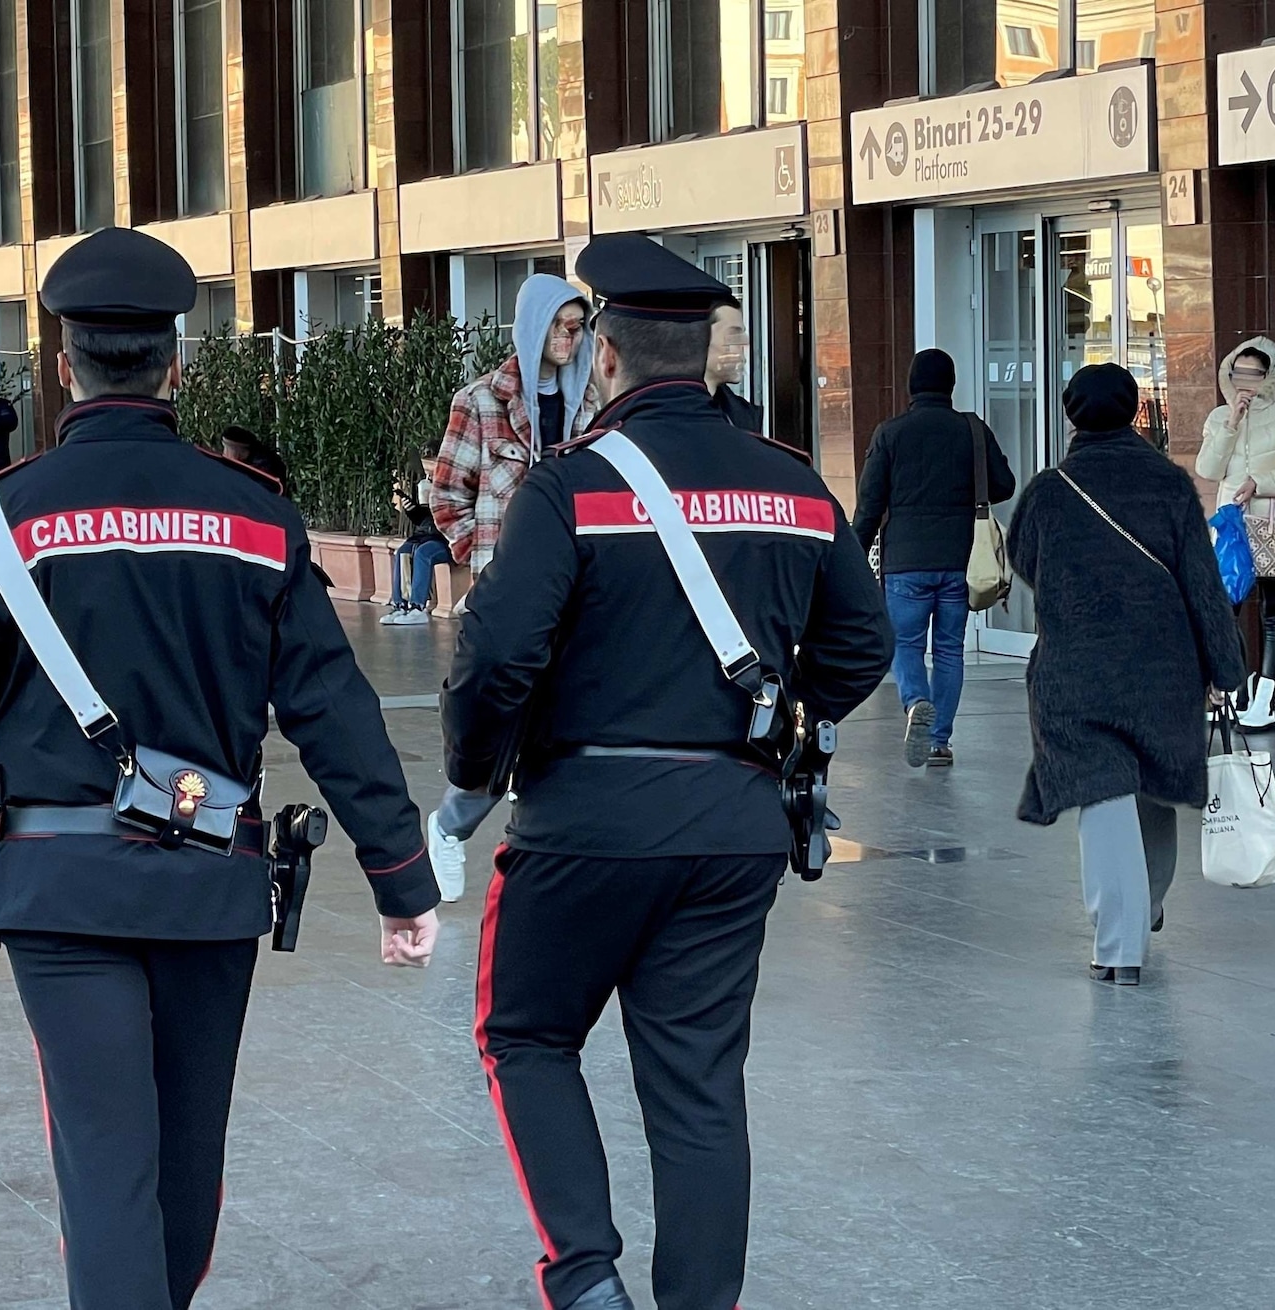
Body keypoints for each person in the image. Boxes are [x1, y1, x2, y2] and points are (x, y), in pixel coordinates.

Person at [0, 228, 441, 1309]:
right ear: (175, 365)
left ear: (62, 363)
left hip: (61, 889)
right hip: (209, 884)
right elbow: (335, 707)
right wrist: (400, 876)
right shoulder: (257, 517)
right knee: (188, 1160)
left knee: (105, 1162)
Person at [446, 235, 892, 1310]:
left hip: (581, 825)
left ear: (604, 357)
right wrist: (794, 718)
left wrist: (474, 770)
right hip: (732, 824)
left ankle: (585, 1272)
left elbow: (498, 652)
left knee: (527, 1032)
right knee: (697, 1084)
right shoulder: (790, 481)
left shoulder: (571, 485)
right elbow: (861, 643)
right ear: (704, 356)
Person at [1006, 363, 1245, 985]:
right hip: (1163, 668)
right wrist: (1225, 666)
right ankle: (1148, 901)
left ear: (1070, 415)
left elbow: (1025, 564)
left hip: (1077, 667)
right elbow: (1203, 583)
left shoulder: (1049, 489)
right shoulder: (1168, 483)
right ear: (1136, 410)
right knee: (1152, 783)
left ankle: (1119, 942)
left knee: (1103, 793)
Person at [426, 274, 596, 901]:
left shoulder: (594, 404)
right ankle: (449, 827)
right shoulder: (480, 402)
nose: (570, 338)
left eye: (578, 327)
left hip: (581, 587)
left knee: (568, 715)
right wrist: (491, 567)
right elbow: (446, 496)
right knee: (498, 714)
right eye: (559, 325)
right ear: (532, 326)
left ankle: (539, 844)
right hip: (506, 590)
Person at [852, 348, 1015, 768]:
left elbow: (870, 504)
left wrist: (851, 556)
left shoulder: (890, 433)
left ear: (911, 386)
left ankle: (914, 704)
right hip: (960, 560)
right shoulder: (971, 431)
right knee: (948, 650)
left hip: (905, 560)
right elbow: (1004, 485)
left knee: (905, 643)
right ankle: (939, 739)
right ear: (952, 385)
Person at [1195, 337, 1275, 731]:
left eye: (1254, 374)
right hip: (1234, 526)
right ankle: (1229, 691)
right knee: (1225, 609)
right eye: (1238, 373)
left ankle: (1264, 699)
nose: (1245, 381)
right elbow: (1209, 470)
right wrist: (1231, 422)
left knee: (1274, 612)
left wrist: (1259, 482)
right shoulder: (1218, 417)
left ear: (1269, 376)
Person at [381, 456, 449, 626]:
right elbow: (423, 520)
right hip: (424, 535)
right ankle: (400, 605)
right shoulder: (424, 484)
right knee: (402, 551)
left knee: (423, 553)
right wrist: (412, 508)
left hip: (445, 539)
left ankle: (417, 607)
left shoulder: (452, 485)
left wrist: (437, 500)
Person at [706, 298, 762, 435]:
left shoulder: (743, 416)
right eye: (733, 335)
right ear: (698, 338)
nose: (744, 345)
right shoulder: (663, 415)